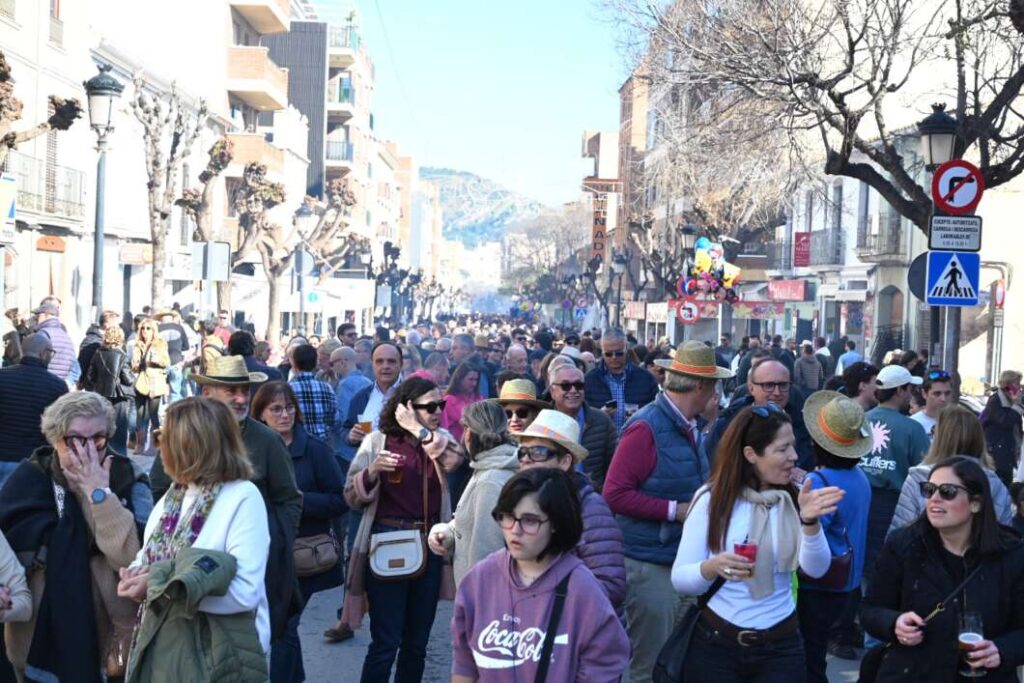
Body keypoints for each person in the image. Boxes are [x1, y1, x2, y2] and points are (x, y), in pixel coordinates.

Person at [671, 403, 839, 683]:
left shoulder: (795, 498)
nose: (794, 456)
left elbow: (817, 569)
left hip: (781, 647)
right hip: (716, 646)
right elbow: (680, 579)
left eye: (793, 446)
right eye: (782, 449)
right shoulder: (712, 500)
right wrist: (712, 567)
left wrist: (810, 522)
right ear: (751, 454)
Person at [146, 355, 303, 651]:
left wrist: (275, 543)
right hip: (181, 594)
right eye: (231, 391)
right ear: (207, 393)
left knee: (277, 641)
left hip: (251, 567)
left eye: (245, 390)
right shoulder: (183, 438)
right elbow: (158, 485)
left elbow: (289, 499)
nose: (241, 398)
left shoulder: (266, 441)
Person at [0, 391, 152, 682]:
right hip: (32, 639)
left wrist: (99, 494)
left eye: (98, 440)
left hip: (108, 645)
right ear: (55, 440)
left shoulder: (127, 477)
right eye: (75, 441)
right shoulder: (29, 479)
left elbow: (131, 560)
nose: (88, 451)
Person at [603, 341, 731, 682]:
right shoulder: (646, 426)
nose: (717, 394)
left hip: (675, 560)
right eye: (715, 385)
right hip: (650, 567)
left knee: (675, 664)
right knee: (650, 668)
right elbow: (614, 494)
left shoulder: (688, 424)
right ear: (701, 386)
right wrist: (676, 510)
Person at [118, 397, 270, 678]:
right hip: (168, 647)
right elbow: (152, 555)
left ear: (190, 446)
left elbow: (245, 592)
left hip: (216, 656)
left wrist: (161, 588)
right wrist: (136, 573)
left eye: (164, 438)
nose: (160, 445)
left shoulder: (243, 497)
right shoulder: (175, 494)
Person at [451, 468, 630, 682]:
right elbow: (464, 665)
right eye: (508, 516)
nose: (515, 530)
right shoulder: (479, 579)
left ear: (555, 524)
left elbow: (601, 670)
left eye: (529, 520)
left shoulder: (584, 591)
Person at [338, 377, 462, 683]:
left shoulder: (440, 440)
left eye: (440, 405)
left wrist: (418, 430)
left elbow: (454, 462)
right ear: (407, 407)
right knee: (386, 641)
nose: (438, 411)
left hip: (430, 546)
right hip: (387, 542)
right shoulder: (377, 441)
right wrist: (372, 472)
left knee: (416, 644)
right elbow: (351, 496)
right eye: (430, 406)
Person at [861, 457, 1024, 682]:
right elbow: (870, 609)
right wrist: (894, 622)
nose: (934, 498)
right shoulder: (904, 544)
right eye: (929, 490)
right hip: (913, 674)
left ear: (975, 503)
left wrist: (1002, 650)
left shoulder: (1011, 554)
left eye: (947, 491)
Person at [253, 382, 347, 682]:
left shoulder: (315, 450)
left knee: (284, 626)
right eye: (276, 409)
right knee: (284, 626)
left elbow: (339, 499)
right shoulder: (252, 450)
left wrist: (298, 500)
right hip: (265, 551)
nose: (285, 415)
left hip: (304, 553)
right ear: (261, 414)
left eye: (289, 407)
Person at [509, 409, 627, 608]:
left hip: (579, 625)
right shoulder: (521, 503)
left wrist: (546, 596)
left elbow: (610, 586)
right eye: (523, 452)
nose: (526, 459)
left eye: (538, 452)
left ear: (565, 462)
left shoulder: (589, 507)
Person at [797, 391, 874, 679]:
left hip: (819, 585)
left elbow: (809, 532)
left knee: (811, 657)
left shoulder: (818, 481)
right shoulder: (860, 477)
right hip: (848, 583)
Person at [427, 401, 518, 585]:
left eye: (465, 428)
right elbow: (471, 522)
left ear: (470, 432)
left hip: (482, 593)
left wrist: (473, 598)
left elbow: (487, 552)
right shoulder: (488, 467)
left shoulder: (490, 480)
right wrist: (447, 532)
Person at [889, 405, 1013, 534]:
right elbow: (1004, 536)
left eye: (934, 430)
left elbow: (901, 530)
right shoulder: (996, 484)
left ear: (940, 439)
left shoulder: (918, 477)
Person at [861, 364, 929, 586]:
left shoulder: (860, 419)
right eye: (910, 389)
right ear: (899, 390)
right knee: (888, 565)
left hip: (859, 498)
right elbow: (925, 471)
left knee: (862, 562)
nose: (912, 394)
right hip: (894, 505)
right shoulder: (912, 428)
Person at [706, 358, 815, 471]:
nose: (777, 392)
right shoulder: (727, 424)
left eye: (783, 385)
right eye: (768, 385)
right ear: (751, 388)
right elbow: (714, 467)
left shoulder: (802, 424)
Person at [0, 334, 68, 485]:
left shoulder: (2, 377)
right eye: (51, 353)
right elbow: (58, 428)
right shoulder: (57, 386)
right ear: (43, 353)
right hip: (31, 459)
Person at [547, 361, 617, 492]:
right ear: (552, 391)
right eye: (566, 386)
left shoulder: (602, 420)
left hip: (593, 495)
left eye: (578, 385)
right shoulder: (542, 423)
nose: (573, 390)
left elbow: (614, 466)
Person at [584, 327, 659, 434]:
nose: (614, 357)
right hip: (603, 441)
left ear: (626, 349)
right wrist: (600, 416)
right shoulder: (590, 380)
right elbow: (582, 418)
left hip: (636, 439)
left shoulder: (646, 378)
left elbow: (656, 414)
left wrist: (641, 417)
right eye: (608, 354)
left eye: (619, 353)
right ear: (602, 351)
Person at [339, 342, 403, 463]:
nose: (385, 366)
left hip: (404, 468)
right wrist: (351, 436)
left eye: (391, 361)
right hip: (369, 468)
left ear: (401, 364)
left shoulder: (413, 395)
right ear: (372, 364)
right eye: (379, 361)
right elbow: (346, 428)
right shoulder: (361, 397)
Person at [85, 325, 135, 455]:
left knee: (102, 428)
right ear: (120, 338)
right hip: (119, 396)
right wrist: (134, 376)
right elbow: (128, 379)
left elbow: (90, 376)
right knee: (119, 429)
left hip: (101, 395)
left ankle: (101, 455)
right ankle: (119, 456)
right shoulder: (122, 355)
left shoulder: (98, 353)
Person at [131, 318, 170, 454]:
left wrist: (155, 360)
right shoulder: (138, 345)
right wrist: (136, 363)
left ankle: (155, 446)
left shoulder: (160, 343)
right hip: (141, 382)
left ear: (154, 330)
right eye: (143, 328)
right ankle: (140, 444)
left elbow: (166, 362)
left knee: (153, 415)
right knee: (140, 414)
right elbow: (134, 367)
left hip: (155, 383)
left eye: (148, 328)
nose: (145, 331)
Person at [981, 369, 1023, 487]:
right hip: (996, 452)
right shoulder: (995, 400)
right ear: (1007, 385)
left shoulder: (1013, 400)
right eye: (1016, 383)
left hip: (1009, 451)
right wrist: (1017, 406)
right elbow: (1005, 422)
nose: (1019, 387)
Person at [288, 343, 337, 442]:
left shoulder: (288, 389)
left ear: (294, 363)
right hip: (322, 442)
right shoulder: (327, 388)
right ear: (315, 363)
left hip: (297, 441)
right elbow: (334, 419)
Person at [441, 361, 484, 444]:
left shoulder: (479, 398)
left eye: (476, 380)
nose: (474, 383)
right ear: (459, 379)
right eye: (470, 379)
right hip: (455, 445)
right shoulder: (448, 401)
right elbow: (443, 429)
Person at [78, 310, 121, 391]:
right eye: (115, 326)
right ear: (106, 325)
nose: (118, 328)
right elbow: (83, 363)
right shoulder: (92, 340)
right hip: (93, 387)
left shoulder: (106, 340)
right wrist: (81, 381)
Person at [909, 370, 953, 441]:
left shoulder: (958, 423)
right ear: (924, 393)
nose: (943, 399)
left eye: (947, 393)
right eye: (937, 393)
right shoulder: (913, 423)